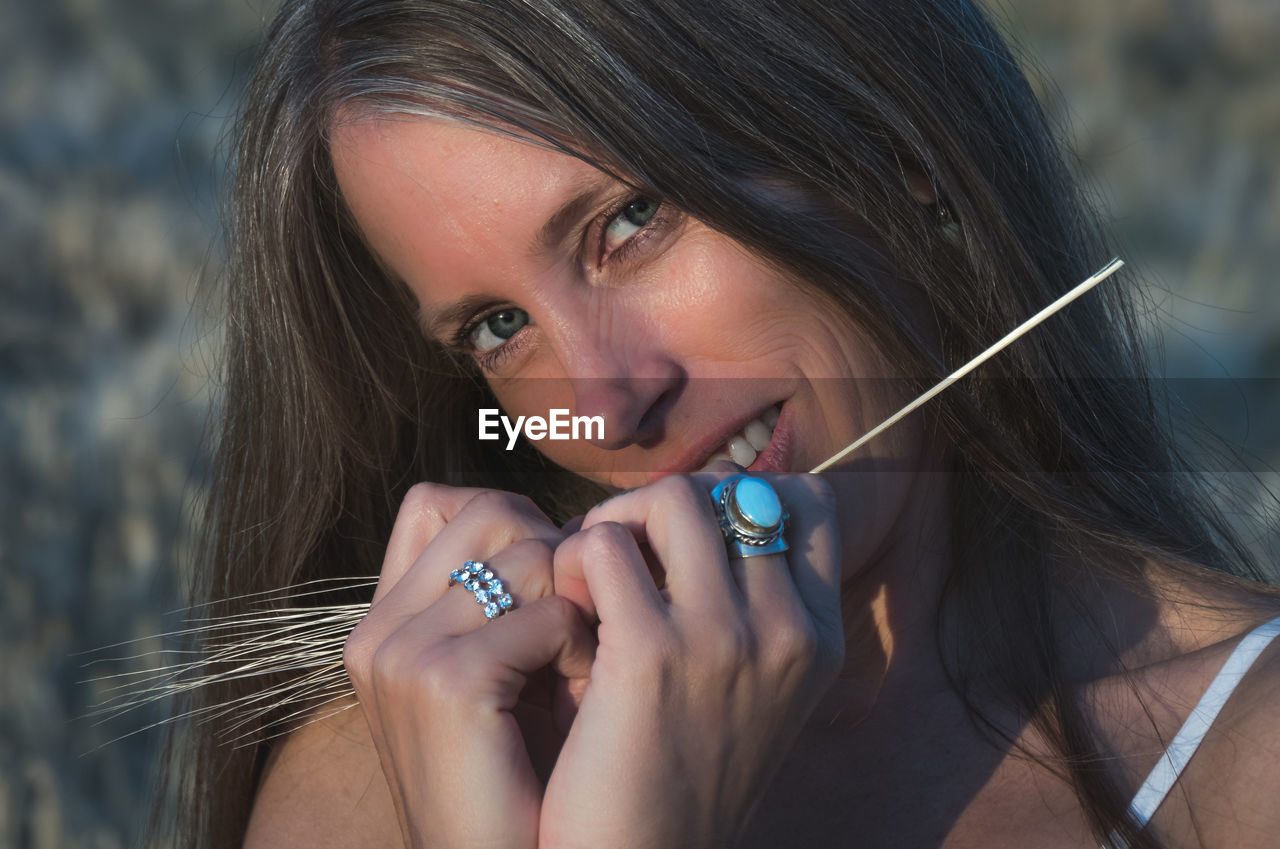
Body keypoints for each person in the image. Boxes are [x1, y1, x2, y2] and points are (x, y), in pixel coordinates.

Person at [157, 0, 1280, 847]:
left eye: (630, 221)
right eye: (499, 327)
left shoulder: (1246, 767)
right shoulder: (405, 763)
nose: (603, 399)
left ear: (900, 152)